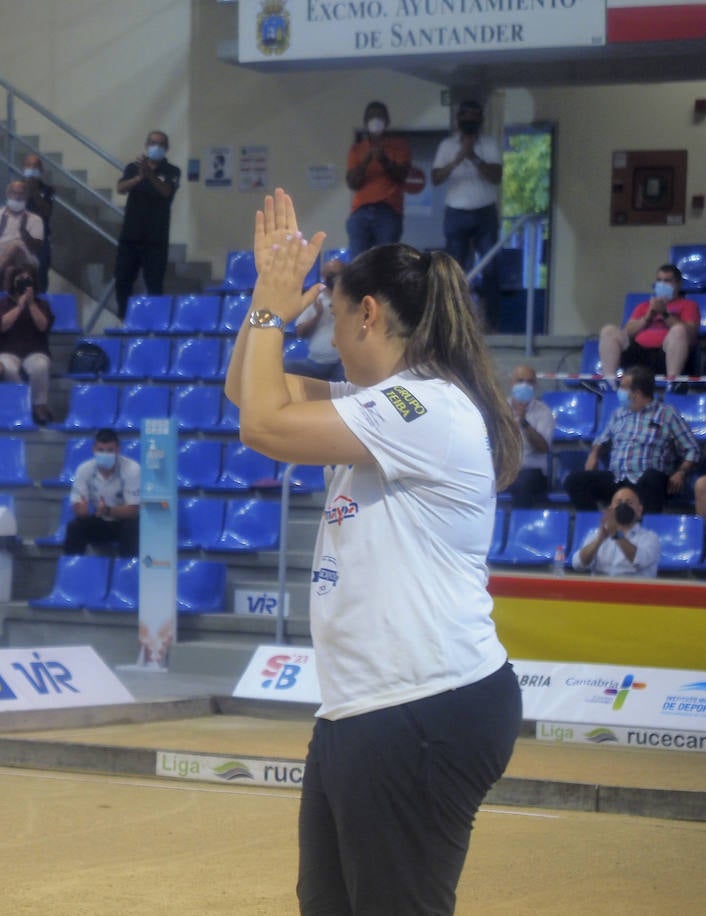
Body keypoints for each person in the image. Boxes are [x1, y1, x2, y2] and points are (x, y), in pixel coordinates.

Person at [225, 188, 522, 914]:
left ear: (369, 313)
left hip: (422, 707)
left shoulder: (420, 407)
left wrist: (270, 306)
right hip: (367, 709)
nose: (321, 324)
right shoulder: (377, 404)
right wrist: (265, 310)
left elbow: (264, 425)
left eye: (330, 309)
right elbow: (246, 392)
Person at [563, 364, 699, 514]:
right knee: (574, 481)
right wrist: (594, 454)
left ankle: (646, 530)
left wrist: (681, 472)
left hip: (647, 481)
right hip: (617, 478)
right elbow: (601, 440)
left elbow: (692, 449)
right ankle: (597, 527)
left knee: (652, 478)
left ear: (637, 393)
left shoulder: (667, 414)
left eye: (623, 387)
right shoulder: (619, 413)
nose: (619, 391)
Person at [431, 99, 503, 325]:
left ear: (481, 120)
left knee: (491, 268)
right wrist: (458, 158)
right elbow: (435, 178)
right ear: (459, 119)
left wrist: (473, 156)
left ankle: (490, 322)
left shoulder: (489, 144)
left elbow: (496, 176)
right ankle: (454, 323)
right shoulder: (447, 145)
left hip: (485, 212)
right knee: (454, 270)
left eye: (474, 117)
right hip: (456, 212)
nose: (470, 121)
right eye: (466, 117)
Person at [596, 264, 700, 389]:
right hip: (639, 354)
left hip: (666, 354)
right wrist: (647, 317)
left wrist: (664, 314)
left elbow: (691, 334)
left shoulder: (688, 305)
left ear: (678, 284)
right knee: (609, 331)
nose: (662, 284)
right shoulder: (644, 306)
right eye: (659, 280)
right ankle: (609, 382)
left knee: (679, 330)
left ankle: (672, 383)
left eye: (667, 281)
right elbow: (628, 331)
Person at [114, 130, 180, 319]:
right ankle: (124, 320)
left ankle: (154, 323)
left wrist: (150, 175)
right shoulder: (133, 168)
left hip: (155, 240)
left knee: (154, 285)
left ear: (166, 148)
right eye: (152, 143)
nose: (155, 147)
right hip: (130, 237)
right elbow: (120, 188)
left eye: (160, 144)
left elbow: (166, 191)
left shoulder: (172, 171)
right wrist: (139, 177)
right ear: (146, 145)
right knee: (122, 281)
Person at [344, 102, 411, 258]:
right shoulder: (357, 149)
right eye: (371, 116)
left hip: (388, 211)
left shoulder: (400, 146)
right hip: (360, 212)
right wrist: (366, 160)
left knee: (386, 262)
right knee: (358, 263)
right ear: (365, 121)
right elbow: (352, 183)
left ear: (387, 121)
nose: (375, 119)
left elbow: (402, 175)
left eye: (379, 116)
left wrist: (384, 160)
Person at [0, 268, 54, 424]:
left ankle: (38, 407)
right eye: (21, 279)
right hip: (8, 351)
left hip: (35, 350)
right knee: (8, 368)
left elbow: (43, 326)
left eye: (28, 279)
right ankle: (22, 406)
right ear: (13, 281)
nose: (25, 283)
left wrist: (31, 304)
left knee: (41, 365)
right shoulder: (3, 304)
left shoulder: (42, 304)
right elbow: (2, 326)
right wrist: (19, 306)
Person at [65, 428, 140, 557]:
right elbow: (78, 504)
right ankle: (72, 569)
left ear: (118, 450)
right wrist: (81, 511)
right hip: (99, 520)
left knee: (132, 527)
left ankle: (127, 571)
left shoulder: (132, 469)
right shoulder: (84, 469)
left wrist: (108, 510)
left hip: (123, 522)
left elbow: (133, 510)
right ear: (94, 450)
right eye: (101, 450)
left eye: (110, 450)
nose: (105, 454)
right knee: (74, 527)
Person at [571, 486, 661, 577]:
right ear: (610, 510)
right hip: (601, 588)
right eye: (619, 502)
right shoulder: (597, 534)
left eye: (629, 503)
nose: (623, 506)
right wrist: (598, 541)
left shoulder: (650, 537)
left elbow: (640, 561)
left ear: (639, 510)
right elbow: (578, 564)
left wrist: (617, 535)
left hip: (633, 589)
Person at [284, 256, 345, 381]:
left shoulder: (353, 300)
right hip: (314, 364)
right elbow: (300, 333)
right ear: (323, 276)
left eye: (338, 275)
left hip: (343, 364)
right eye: (331, 274)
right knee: (282, 367)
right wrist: (317, 315)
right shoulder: (315, 299)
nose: (334, 278)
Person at [0, 180, 44, 292]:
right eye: (14, 193)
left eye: (21, 193)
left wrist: (23, 231)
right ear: (8, 195)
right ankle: (5, 302)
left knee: (16, 245)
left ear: (26, 196)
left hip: (25, 259)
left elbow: (36, 249)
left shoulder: (35, 219)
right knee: (9, 270)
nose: (17, 196)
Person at [505, 364, 555, 508]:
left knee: (523, 482)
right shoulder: (501, 409)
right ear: (511, 383)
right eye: (520, 381)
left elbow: (543, 448)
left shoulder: (543, 412)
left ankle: (518, 527)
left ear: (535, 385)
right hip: (506, 471)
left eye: (529, 382)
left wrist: (524, 423)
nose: (524, 385)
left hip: (533, 472)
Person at [21, 153, 55, 291]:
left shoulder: (48, 190)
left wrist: (34, 190)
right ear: (23, 168)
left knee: (41, 275)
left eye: (35, 166)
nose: (32, 169)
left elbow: (46, 212)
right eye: (29, 165)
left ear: (40, 171)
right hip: (20, 238)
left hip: (40, 239)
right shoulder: (17, 188)